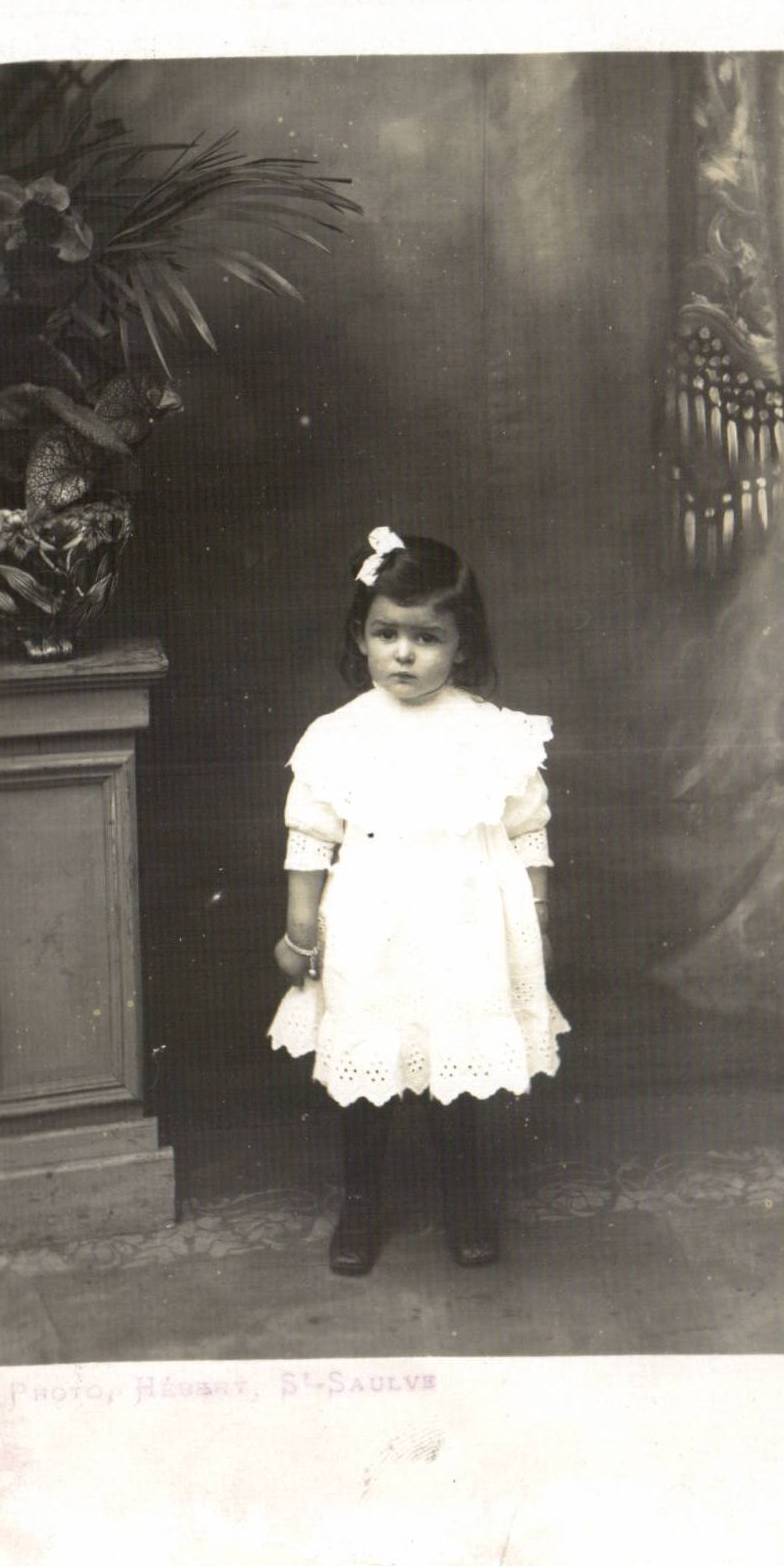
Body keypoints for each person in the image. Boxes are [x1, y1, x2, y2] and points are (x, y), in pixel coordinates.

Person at [268, 528, 569, 1275]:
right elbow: (308, 842)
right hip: (371, 929)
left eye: (426, 637)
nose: (402, 653)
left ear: (461, 646)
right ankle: (361, 1200)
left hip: (464, 930)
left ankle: (462, 1193)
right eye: (385, 633)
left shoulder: (494, 735)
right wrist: (301, 936)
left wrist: (535, 926)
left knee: (454, 1069)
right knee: (367, 1069)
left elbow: (528, 835)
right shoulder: (338, 736)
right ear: (361, 637)